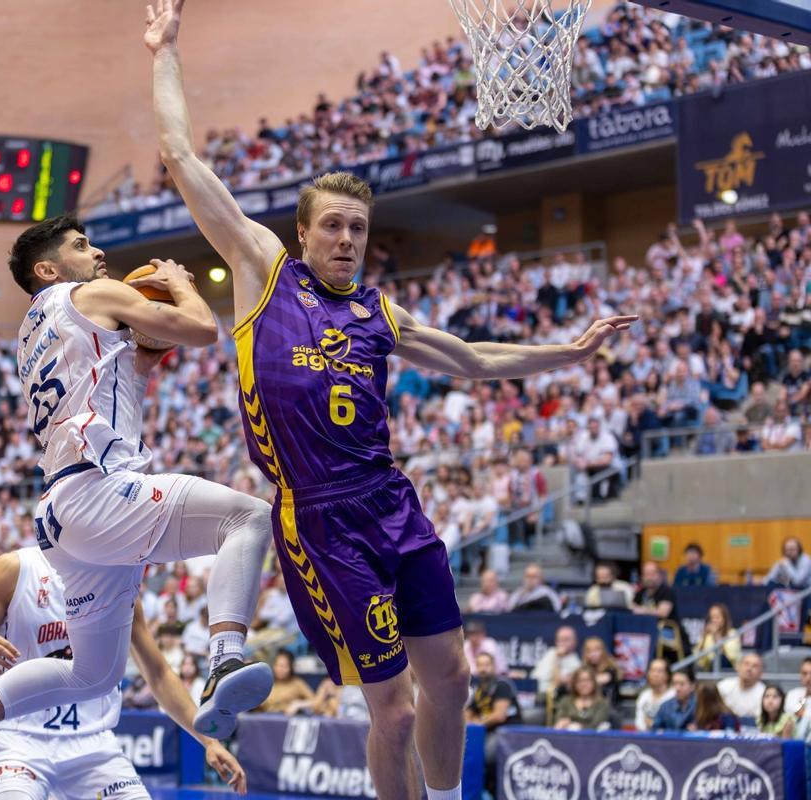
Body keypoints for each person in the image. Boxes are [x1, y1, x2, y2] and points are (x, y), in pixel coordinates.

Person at [147, 4, 635, 795]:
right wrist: (164, 51)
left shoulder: (379, 312)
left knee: (452, 678)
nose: (347, 239)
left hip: (393, 501)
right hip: (321, 516)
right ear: (302, 234)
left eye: (359, 229)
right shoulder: (265, 272)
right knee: (395, 712)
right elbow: (178, 154)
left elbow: (471, 358)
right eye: (333, 226)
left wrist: (568, 350)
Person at [0, 218, 274, 798]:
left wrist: (146, 337)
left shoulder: (32, 333)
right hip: (100, 489)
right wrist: (176, 283)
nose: (97, 251)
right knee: (246, 516)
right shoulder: (89, 293)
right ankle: (225, 658)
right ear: (48, 269)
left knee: (92, 674)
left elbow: (125, 371)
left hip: (63, 514)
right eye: (80, 246)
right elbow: (202, 329)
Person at [0, 547, 246, 800]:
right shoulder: (14, 568)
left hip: (93, 745)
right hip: (17, 741)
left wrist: (209, 742)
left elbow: (158, 673)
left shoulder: (116, 580)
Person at [465, 652, 519, 798]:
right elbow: (467, 714)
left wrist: (477, 721)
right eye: (480, 665)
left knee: (487, 754)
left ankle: (492, 791)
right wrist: (473, 720)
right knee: (468, 747)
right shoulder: (479, 690)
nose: (483, 669)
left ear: (494, 666)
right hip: (488, 731)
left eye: (487, 665)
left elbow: (499, 716)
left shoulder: (502, 685)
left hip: (509, 731)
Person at [531, 625, 581, 702]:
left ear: (574, 642)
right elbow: (536, 675)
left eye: (566, 640)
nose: (562, 643)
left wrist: (557, 658)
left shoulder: (576, 663)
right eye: (560, 640)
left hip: (553, 697)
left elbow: (558, 682)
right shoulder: (551, 652)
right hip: (534, 692)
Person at [552, 667, 612, 731]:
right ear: (574, 684)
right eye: (579, 681)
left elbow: (596, 726)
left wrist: (579, 727)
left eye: (587, 680)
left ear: (594, 683)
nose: (583, 684)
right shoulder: (565, 701)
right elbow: (559, 721)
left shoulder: (602, 703)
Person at [258, 649, 315, 714]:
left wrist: (298, 704)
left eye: (285, 666)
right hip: (265, 720)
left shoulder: (297, 683)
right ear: (274, 666)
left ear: (290, 668)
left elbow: (315, 701)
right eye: (278, 665)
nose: (281, 669)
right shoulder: (267, 683)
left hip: (287, 721)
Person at [716, 652, 766, 719]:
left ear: (761, 673)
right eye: (746, 664)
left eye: (755, 666)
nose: (749, 669)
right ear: (738, 667)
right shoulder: (724, 685)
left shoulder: (764, 693)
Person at [696, 603, 742, 670]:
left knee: (720, 659)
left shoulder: (733, 633)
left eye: (717, 617)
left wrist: (716, 635)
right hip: (710, 669)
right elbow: (700, 660)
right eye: (711, 618)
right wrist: (704, 637)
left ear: (724, 618)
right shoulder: (708, 636)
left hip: (729, 669)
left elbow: (731, 657)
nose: (714, 620)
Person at [634, 659, 675, 731]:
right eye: (652, 670)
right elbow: (639, 721)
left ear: (667, 675)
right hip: (644, 737)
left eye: (659, 671)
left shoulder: (673, 695)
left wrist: (654, 725)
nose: (655, 674)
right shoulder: (644, 695)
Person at [581, 636, 621, 704]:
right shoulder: (585, 668)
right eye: (589, 651)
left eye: (596, 651)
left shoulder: (610, 668)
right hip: (590, 705)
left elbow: (600, 680)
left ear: (603, 651)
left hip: (609, 706)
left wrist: (580, 681)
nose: (593, 654)